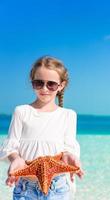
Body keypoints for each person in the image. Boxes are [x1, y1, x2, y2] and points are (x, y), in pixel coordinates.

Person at [0, 56, 84, 200]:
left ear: (61, 86)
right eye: (38, 83)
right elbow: (10, 145)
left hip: (58, 187)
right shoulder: (22, 111)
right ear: (32, 83)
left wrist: (69, 155)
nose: (44, 89)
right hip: (26, 187)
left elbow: (68, 148)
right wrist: (16, 159)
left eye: (51, 84)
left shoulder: (68, 115)